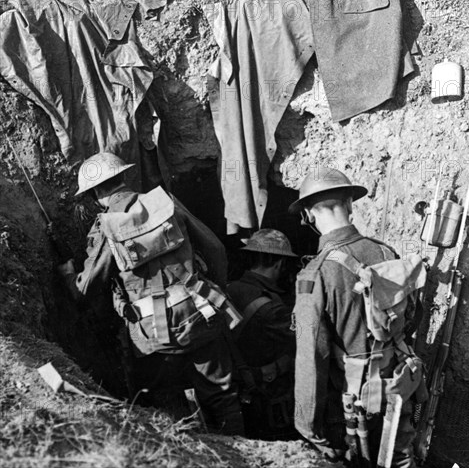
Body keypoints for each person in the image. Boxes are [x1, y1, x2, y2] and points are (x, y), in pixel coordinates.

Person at [57, 152, 243, 435]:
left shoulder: (107, 226)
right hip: (199, 313)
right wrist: (214, 290)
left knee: (165, 405)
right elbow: (216, 249)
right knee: (223, 395)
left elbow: (86, 289)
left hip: (151, 334)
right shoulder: (164, 202)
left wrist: (69, 276)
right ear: (123, 177)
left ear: (96, 193)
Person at [288, 168, 420, 467]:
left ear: (308, 214)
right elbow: (411, 316)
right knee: (401, 458)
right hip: (398, 386)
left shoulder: (314, 275)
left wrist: (307, 426)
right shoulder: (386, 252)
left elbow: (312, 356)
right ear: (350, 204)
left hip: (349, 405)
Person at [225, 229, 299, 440]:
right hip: (268, 393)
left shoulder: (230, 288)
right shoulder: (271, 308)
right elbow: (303, 337)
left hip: (238, 387)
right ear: (280, 264)